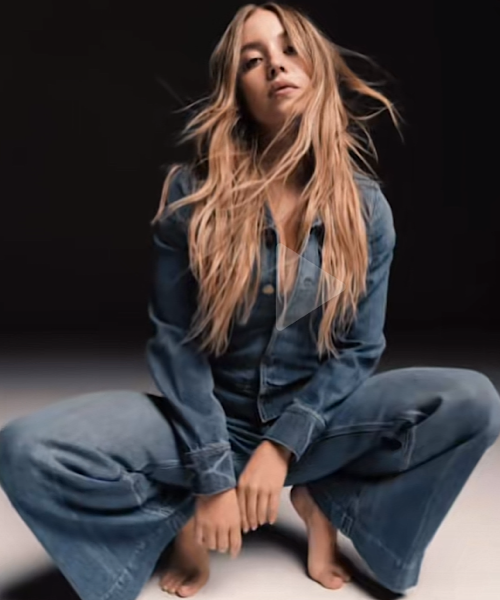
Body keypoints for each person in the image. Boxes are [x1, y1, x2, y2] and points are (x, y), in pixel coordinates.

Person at [1, 3, 500, 600]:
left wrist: (283, 447)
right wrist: (213, 475)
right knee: (26, 449)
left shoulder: (366, 209)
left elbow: (360, 348)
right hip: (207, 421)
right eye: (252, 60)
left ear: (316, 70)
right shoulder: (192, 196)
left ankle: (329, 502)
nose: (276, 67)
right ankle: (176, 517)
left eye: (289, 50)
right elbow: (177, 344)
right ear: (237, 91)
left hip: (317, 426)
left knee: (473, 401)